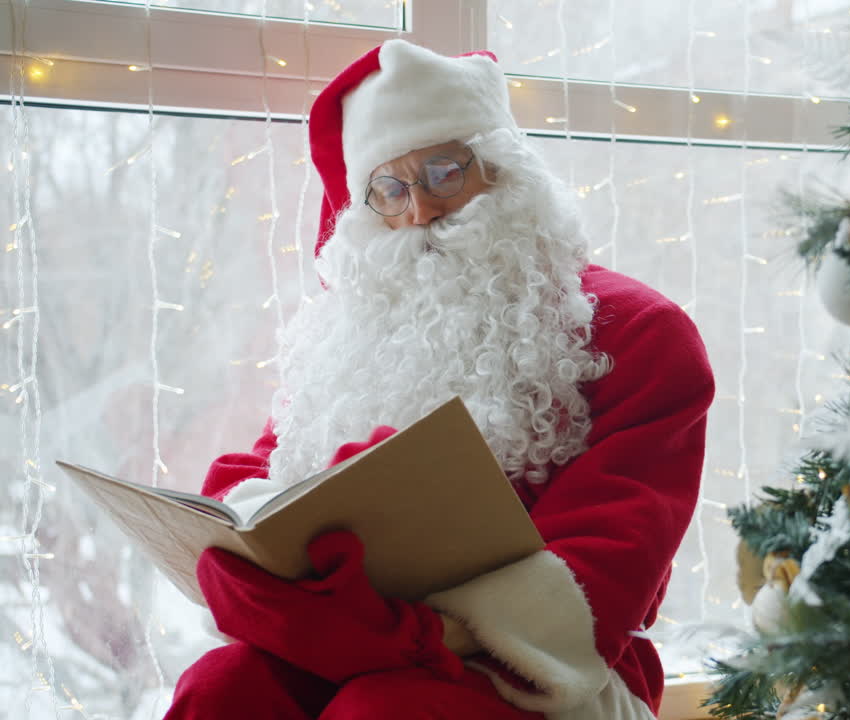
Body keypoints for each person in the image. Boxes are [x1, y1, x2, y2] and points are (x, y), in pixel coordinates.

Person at [161, 39, 715, 720]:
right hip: (345, 640)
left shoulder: (640, 332)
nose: (421, 210)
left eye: (444, 172)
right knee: (225, 689)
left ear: (506, 171)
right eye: (390, 189)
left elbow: (607, 562)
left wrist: (412, 633)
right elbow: (257, 474)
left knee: (385, 709)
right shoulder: (352, 331)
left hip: (541, 669)